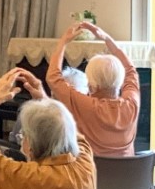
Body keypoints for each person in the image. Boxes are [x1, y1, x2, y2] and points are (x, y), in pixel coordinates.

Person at [46, 21, 141, 159]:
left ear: (91, 86)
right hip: (129, 172)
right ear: (121, 83)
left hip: (90, 172)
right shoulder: (132, 104)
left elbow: (53, 77)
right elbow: (131, 70)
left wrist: (63, 42)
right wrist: (107, 39)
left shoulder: (85, 105)